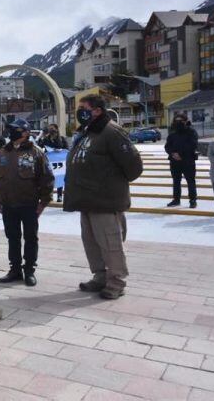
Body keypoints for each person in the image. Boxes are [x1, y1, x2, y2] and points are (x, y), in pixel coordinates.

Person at [64, 94, 143, 300]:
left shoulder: (111, 132)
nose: (79, 112)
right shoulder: (86, 132)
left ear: (97, 110)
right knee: (91, 242)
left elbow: (134, 166)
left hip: (105, 201)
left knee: (110, 243)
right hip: (86, 200)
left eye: (83, 108)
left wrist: (109, 183)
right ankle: (100, 276)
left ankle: (116, 281)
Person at [0, 119, 54, 286]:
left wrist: (43, 203)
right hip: (8, 205)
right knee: (13, 237)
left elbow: (47, 178)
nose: (11, 132)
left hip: (29, 205)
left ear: (25, 132)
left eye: (15, 130)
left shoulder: (36, 153)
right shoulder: (2, 153)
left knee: (31, 238)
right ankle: (15, 269)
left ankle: (29, 270)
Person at [165, 113, 199, 208]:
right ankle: (176, 200)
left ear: (185, 121)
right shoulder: (172, 133)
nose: (178, 123)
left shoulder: (191, 132)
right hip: (174, 161)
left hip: (188, 161)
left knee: (190, 181)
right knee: (176, 181)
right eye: (176, 121)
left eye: (180, 121)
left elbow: (193, 145)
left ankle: (193, 200)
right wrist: (172, 153)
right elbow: (167, 146)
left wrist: (180, 154)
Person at [37, 124, 68, 202]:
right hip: (49, 162)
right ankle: (49, 195)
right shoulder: (46, 139)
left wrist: (60, 150)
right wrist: (40, 137)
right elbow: (39, 147)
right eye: (50, 129)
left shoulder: (62, 139)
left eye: (53, 129)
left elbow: (67, 149)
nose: (51, 131)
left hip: (59, 163)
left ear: (57, 130)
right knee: (49, 178)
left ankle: (59, 195)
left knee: (59, 177)